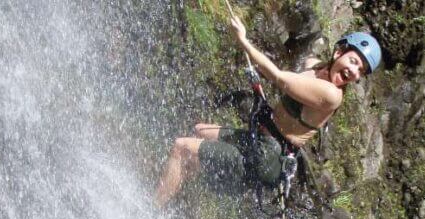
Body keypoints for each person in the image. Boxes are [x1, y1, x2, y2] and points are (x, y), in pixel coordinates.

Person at [154, 15, 382, 207]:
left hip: (269, 158)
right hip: (263, 141)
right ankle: (175, 195)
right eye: (353, 61)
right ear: (339, 52)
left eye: (360, 70)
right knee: (200, 130)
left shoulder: (332, 95)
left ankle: (152, 211)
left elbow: (281, 80)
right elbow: (289, 79)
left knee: (181, 147)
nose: (353, 71)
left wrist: (243, 42)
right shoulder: (316, 66)